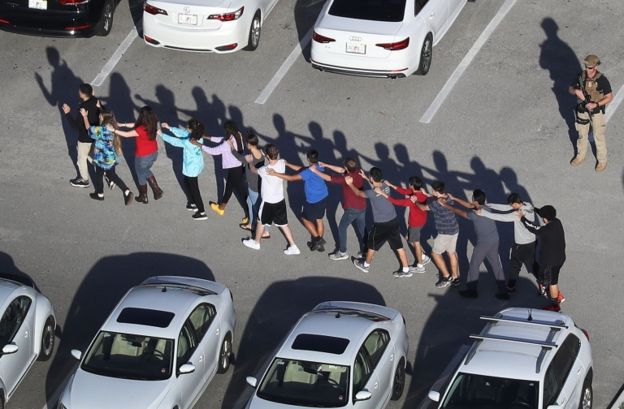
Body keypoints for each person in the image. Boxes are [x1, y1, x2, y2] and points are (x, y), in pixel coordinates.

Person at [440, 190, 509, 299]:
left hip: (483, 244)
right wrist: (454, 198)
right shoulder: (486, 208)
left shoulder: (474, 215)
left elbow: (460, 212)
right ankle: (503, 291)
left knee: (474, 265)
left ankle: (472, 291)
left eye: (472, 199)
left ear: (475, 201)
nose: (471, 201)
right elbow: (470, 205)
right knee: (496, 264)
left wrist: (446, 206)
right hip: (495, 240)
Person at [347, 168, 414, 278]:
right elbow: (376, 185)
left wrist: (350, 184)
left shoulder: (371, 192)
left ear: (372, 178)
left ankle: (365, 265)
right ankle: (406, 269)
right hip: (393, 220)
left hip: (381, 224)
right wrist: (366, 178)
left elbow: (358, 193)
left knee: (372, 245)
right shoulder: (385, 185)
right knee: (398, 246)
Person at [242, 144, 300, 255]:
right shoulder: (282, 162)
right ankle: (293, 246)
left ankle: (256, 243)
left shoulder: (264, 170)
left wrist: (250, 161)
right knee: (284, 224)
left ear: (267, 155)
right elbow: (282, 162)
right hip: (280, 200)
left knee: (260, 221)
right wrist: (267, 156)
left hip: (268, 202)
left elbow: (253, 170)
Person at [268, 150, 329, 252]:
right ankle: (318, 243)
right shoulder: (319, 165)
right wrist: (287, 164)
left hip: (313, 200)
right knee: (319, 219)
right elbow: (301, 169)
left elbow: (292, 178)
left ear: (308, 159)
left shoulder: (308, 172)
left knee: (305, 218)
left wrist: (275, 173)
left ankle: (318, 240)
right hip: (323, 196)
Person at [477, 193, 537, 292]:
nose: (511, 207)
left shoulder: (518, 214)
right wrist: (488, 205)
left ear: (516, 203)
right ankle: (544, 282)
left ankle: (510, 286)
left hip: (521, 244)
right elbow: (505, 208)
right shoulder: (528, 205)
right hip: (532, 242)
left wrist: (483, 213)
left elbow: (501, 217)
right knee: (531, 263)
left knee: (515, 265)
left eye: (512, 205)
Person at [309, 158, 367, 261]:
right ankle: (365, 251)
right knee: (362, 229)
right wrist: (326, 164)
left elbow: (328, 178)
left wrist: (315, 171)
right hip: (362, 206)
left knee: (342, 229)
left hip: (352, 209)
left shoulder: (346, 178)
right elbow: (341, 170)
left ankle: (342, 252)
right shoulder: (358, 172)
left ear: (347, 168)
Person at [80, 107, 133, 205]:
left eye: (100, 114)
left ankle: (100, 194)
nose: (99, 116)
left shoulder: (101, 129)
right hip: (111, 158)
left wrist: (85, 116)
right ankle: (126, 191)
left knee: (99, 176)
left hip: (102, 160)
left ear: (103, 116)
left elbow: (89, 130)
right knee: (112, 175)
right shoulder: (112, 126)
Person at [569, 54, 614, 172]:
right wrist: (576, 91)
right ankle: (580, 156)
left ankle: (602, 160)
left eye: (590, 67)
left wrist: (596, 104)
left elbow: (609, 97)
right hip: (582, 109)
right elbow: (570, 88)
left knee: (598, 136)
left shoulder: (602, 80)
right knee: (582, 134)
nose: (588, 70)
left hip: (596, 111)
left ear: (595, 66)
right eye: (586, 67)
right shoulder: (581, 76)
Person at [519, 205, 566, 311]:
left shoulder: (545, 230)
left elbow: (532, 227)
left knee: (550, 281)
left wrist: (522, 218)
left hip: (550, 261)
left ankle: (554, 304)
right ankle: (556, 295)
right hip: (560, 258)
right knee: (554, 278)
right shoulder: (557, 222)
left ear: (545, 218)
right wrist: (535, 209)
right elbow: (546, 214)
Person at [203, 121, 249, 225]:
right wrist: (207, 137)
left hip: (234, 169)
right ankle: (221, 208)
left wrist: (200, 145)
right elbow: (222, 140)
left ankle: (250, 215)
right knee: (229, 188)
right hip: (239, 167)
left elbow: (213, 151)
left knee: (242, 193)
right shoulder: (238, 135)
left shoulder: (227, 143)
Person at [160, 119, 207, 220]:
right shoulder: (198, 136)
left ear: (191, 129)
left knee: (195, 190)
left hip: (191, 169)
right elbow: (183, 133)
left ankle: (202, 211)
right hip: (196, 165)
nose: (186, 128)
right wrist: (169, 128)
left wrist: (160, 134)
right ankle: (192, 202)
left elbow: (175, 141)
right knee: (186, 182)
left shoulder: (188, 142)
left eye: (187, 127)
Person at [114, 106, 163, 204]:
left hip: (142, 156)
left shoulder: (141, 129)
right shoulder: (153, 123)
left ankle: (144, 195)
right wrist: (122, 124)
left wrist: (113, 130)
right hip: (153, 153)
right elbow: (135, 125)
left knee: (141, 173)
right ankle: (156, 190)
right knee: (145, 171)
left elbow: (127, 135)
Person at [384, 176, 431, 272]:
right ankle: (422, 256)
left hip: (415, 223)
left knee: (416, 243)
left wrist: (383, 194)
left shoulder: (412, 199)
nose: (408, 185)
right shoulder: (421, 192)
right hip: (422, 220)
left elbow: (396, 202)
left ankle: (420, 266)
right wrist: (390, 185)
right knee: (409, 238)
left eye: (409, 184)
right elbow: (404, 191)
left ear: (412, 186)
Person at [229, 132, 269, 238]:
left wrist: (231, 146)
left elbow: (237, 156)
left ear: (249, 145)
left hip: (254, 186)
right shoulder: (261, 152)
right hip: (260, 184)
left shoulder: (249, 157)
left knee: (257, 208)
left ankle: (264, 230)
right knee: (249, 202)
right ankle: (251, 224)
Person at [62, 83, 99, 188]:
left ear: (82, 94)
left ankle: (84, 180)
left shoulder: (83, 108)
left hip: (84, 138)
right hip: (96, 134)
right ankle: (106, 172)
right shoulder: (96, 101)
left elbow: (74, 126)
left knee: (82, 159)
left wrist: (67, 113)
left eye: (80, 91)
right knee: (91, 155)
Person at [428, 181, 460, 288]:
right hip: (454, 229)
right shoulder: (448, 197)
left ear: (437, 192)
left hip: (445, 233)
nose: (431, 191)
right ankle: (456, 278)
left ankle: (446, 277)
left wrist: (416, 201)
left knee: (435, 254)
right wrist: (430, 196)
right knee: (451, 252)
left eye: (433, 190)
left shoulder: (436, 204)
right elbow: (437, 199)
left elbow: (424, 208)